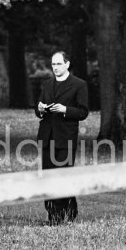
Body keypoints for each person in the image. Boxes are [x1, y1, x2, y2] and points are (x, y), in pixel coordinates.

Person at [35, 51, 89, 225]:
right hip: (47, 136)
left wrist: (65, 110)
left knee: (62, 175)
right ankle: (56, 213)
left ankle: (58, 217)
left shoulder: (79, 85)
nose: (55, 67)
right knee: (48, 176)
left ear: (67, 64)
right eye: (53, 64)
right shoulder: (47, 84)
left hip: (65, 138)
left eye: (58, 64)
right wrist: (41, 109)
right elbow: (38, 110)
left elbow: (83, 112)